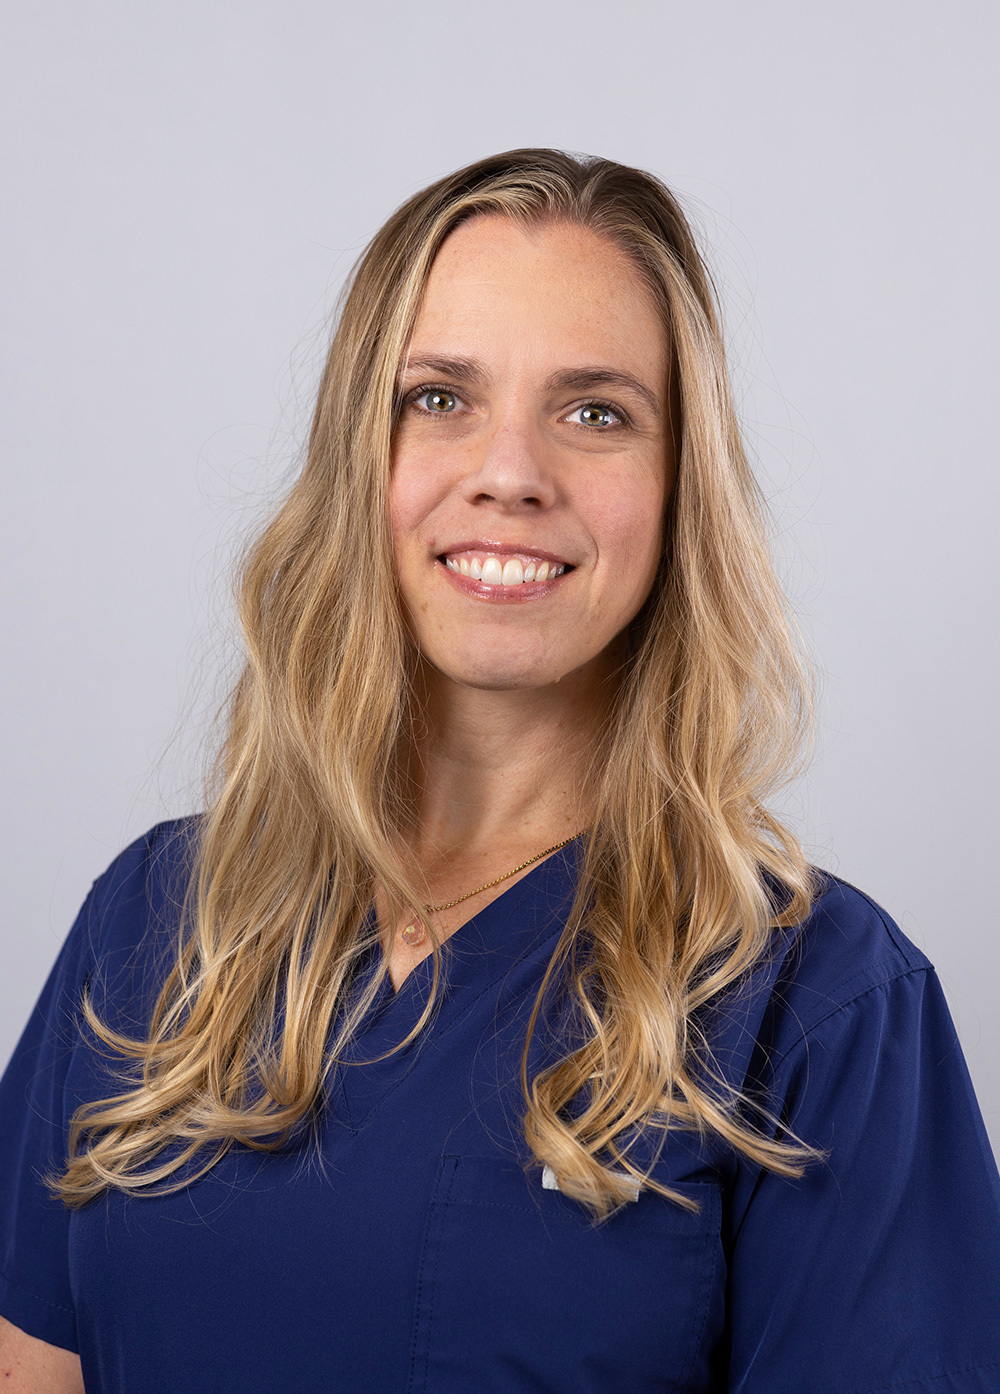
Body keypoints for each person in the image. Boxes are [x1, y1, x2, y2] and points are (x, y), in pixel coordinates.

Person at [1, 148, 998, 1394]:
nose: (510, 470)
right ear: (359, 457)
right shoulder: (154, 923)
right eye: (439, 397)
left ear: (678, 486)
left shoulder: (818, 1005)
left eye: (596, 412)